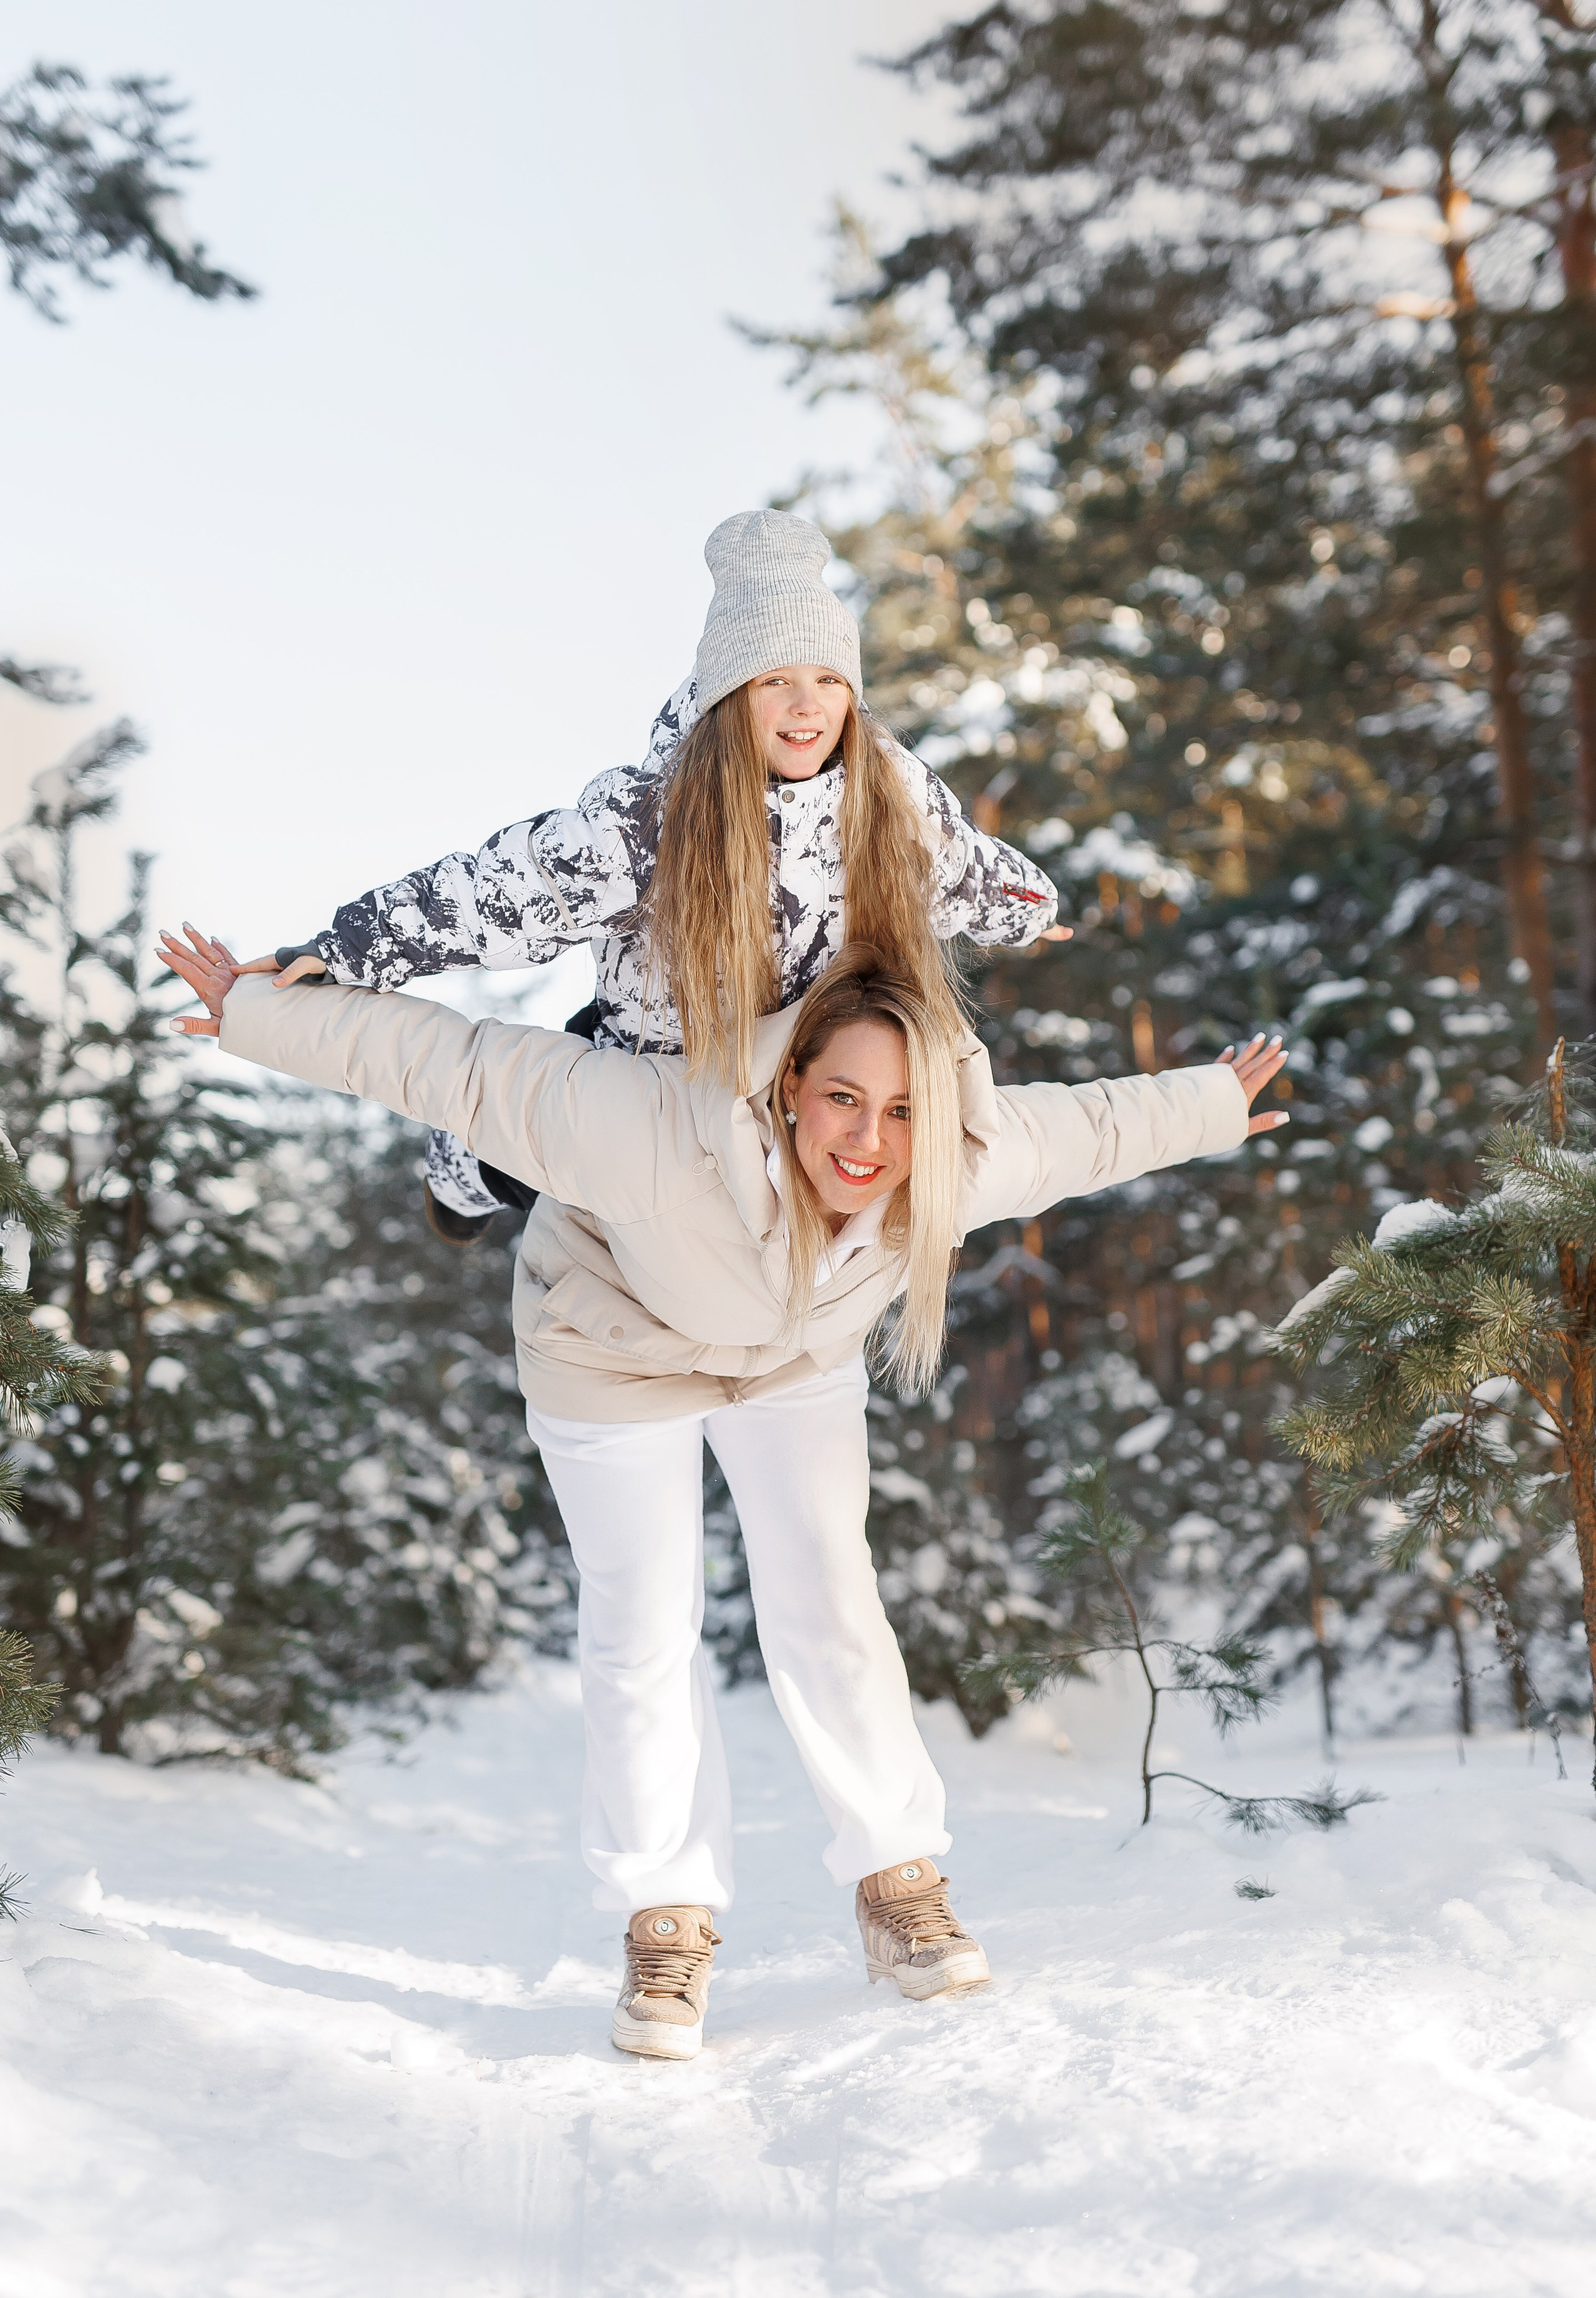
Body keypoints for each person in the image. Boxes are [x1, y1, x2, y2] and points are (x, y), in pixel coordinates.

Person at [159, 928, 1289, 2064]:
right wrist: (261, 1017)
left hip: (789, 1351)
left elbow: (1084, 1128)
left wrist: (1209, 1104)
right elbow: (456, 1062)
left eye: (900, 1112)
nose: (869, 1140)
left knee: (830, 1594)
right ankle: (668, 1913)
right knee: (646, 1624)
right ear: (789, 1082)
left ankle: (897, 1880)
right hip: (609, 1342)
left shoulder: (948, 1157)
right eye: (844, 1098)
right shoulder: (650, 1123)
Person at [234, 507, 1066, 1241]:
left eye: (826, 682)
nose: (806, 706)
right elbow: (497, 895)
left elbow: (963, 870)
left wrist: (1031, 908)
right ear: (731, 694)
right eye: (775, 681)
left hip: (795, 1081)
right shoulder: (656, 822)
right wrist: (347, 947)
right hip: (650, 1071)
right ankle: (464, 1167)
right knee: (545, 1156)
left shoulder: (888, 797)